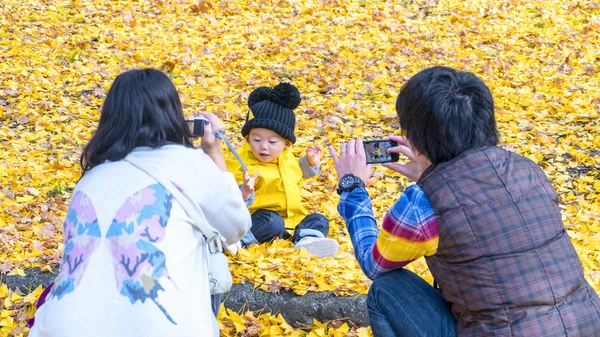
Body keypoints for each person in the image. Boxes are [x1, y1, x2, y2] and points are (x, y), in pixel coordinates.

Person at [329, 66, 600, 336]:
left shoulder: (424, 202)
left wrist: (353, 187)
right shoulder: (529, 170)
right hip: (587, 325)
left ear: (416, 141)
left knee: (385, 289)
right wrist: (428, 174)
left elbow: (374, 263)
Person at [29, 69, 251, 337]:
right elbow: (237, 226)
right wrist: (214, 152)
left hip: (63, 328)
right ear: (172, 115)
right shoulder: (190, 163)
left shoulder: (91, 178)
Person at [226, 82, 339, 258]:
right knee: (271, 221)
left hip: (291, 222)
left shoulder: (286, 158)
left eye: (272, 142)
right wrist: (245, 191)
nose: (264, 147)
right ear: (248, 138)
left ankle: (306, 241)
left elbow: (298, 173)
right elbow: (228, 191)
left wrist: (310, 163)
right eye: (256, 140)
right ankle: (240, 241)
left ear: (286, 143)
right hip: (259, 220)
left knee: (319, 219)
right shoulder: (242, 161)